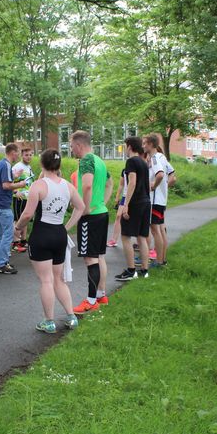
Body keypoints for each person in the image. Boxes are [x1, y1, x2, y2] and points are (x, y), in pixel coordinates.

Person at [16, 149, 85, 333]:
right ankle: (71, 317)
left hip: (42, 234)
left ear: (42, 164)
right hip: (59, 234)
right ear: (59, 165)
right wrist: (66, 227)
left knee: (46, 281)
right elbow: (81, 207)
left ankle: (49, 322)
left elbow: (28, 214)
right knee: (58, 280)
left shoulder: (38, 185)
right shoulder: (68, 186)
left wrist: (18, 227)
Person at [69, 130, 113, 314]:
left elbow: (87, 185)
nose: (71, 150)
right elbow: (110, 183)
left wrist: (85, 208)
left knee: (90, 258)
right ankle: (101, 295)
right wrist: (102, 202)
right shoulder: (99, 160)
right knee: (98, 256)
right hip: (101, 213)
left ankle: (91, 301)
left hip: (91, 217)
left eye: (72, 146)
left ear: (79, 145)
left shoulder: (86, 160)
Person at [114, 137, 152, 281]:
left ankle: (131, 271)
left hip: (135, 203)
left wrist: (126, 204)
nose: (125, 148)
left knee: (125, 236)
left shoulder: (131, 161)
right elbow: (146, 185)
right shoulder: (143, 162)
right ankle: (144, 271)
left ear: (129, 146)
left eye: (125, 146)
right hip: (146, 202)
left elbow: (132, 182)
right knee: (141, 237)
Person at [0, 143, 27, 274]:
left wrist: (14, 176)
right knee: (8, 234)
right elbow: (6, 185)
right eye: (18, 152)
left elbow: (1, 181)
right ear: (13, 152)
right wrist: (20, 184)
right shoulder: (6, 165)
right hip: (3, 204)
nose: (19, 155)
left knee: (0, 234)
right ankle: (2, 263)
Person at [144, 134, 169, 267]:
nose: (143, 146)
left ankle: (159, 261)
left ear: (151, 144)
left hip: (155, 200)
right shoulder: (161, 157)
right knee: (159, 230)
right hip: (161, 199)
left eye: (144, 143)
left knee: (155, 231)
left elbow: (160, 174)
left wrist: (153, 186)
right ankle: (162, 260)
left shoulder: (154, 158)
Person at [11, 146, 35, 253]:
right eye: (26, 155)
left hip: (27, 197)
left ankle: (23, 241)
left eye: (30, 154)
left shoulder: (28, 167)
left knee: (25, 219)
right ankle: (15, 242)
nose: (29, 157)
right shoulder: (17, 167)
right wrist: (15, 192)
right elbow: (9, 180)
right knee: (18, 219)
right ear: (22, 155)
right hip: (19, 197)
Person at [106, 167, 126, 248]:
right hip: (125, 197)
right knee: (118, 216)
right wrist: (117, 197)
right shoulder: (124, 170)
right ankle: (114, 240)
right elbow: (121, 184)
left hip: (135, 197)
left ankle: (141, 243)